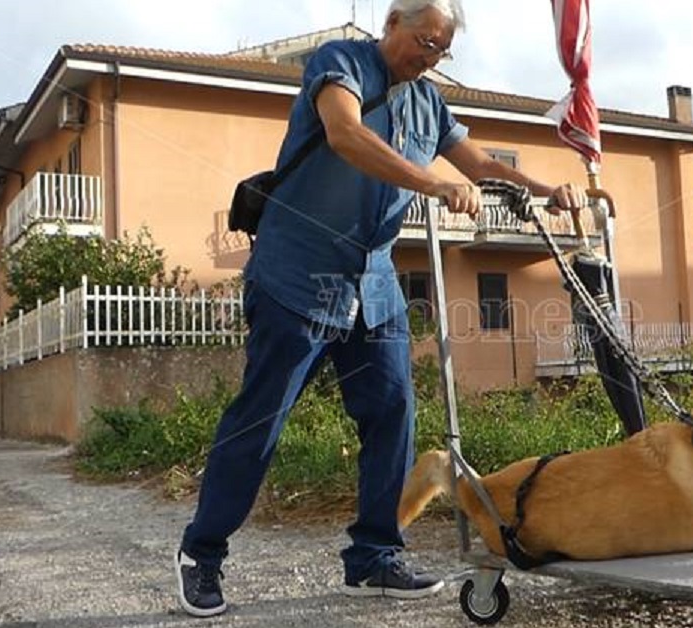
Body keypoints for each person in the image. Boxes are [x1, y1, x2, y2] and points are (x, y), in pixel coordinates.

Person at [175, 0, 588, 617]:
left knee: (392, 411)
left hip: (373, 283)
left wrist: (547, 189)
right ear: (392, 22)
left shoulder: (429, 101)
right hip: (297, 274)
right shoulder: (340, 63)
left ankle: (373, 558)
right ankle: (201, 554)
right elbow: (345, 135)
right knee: (262, 418)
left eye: (441, 50)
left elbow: (476, 163)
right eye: (423, 41)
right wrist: (432, 185)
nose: (429, 56)